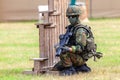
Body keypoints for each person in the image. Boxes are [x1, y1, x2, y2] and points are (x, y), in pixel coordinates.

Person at [53, 5, 102, 75]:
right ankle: (80, 68)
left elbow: (80, 48)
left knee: (64, 53)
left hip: (80, 57)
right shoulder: (71, 28)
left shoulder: (80, 31)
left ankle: (70, 70)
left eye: (72, 17)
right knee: (55, 68)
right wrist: (59, 46)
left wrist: (68, 49)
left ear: (77, 16)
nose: (70, 19)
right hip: (73, 56)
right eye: (68, 17)